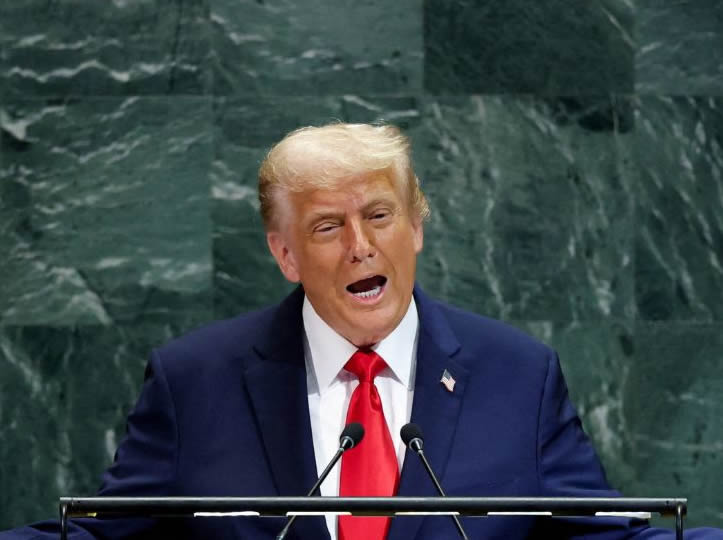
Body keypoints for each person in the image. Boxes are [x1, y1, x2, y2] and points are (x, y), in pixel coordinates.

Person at [2, 123, 721, 539]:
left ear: (416, 227)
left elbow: (605, 535)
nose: (360, 246)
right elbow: (101, 533)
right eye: (326, 226)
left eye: (379, 216)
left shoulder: (517, 375)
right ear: (285, 255)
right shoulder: (195, 381)